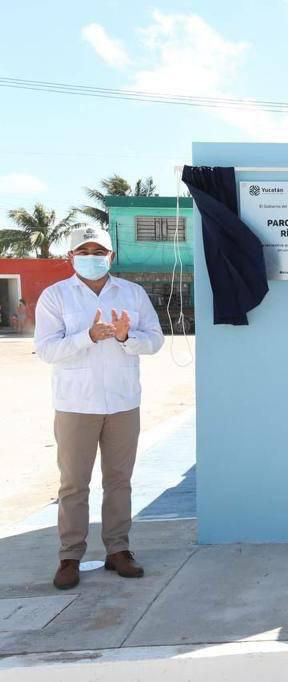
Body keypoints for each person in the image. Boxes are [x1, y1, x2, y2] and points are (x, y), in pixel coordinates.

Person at [34, 226, 164, 590]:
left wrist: (125, 337)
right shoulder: (55, 296)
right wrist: (87, 337)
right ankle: (70, 556)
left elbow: (154, 341)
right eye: (84, 250)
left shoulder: (133, 294)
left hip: (123, 401)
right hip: (76, 403)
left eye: (99, 251)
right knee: (73, 484)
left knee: (119, 481)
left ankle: (118, 551)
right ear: (71, 257)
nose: (92, 256)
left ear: (111, 256)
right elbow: (46, 350)